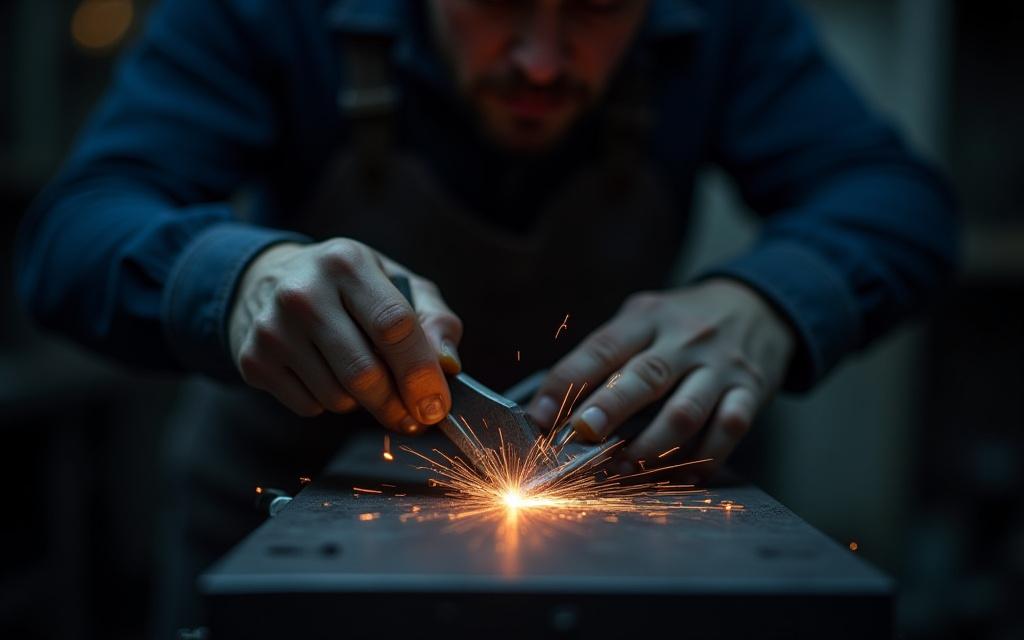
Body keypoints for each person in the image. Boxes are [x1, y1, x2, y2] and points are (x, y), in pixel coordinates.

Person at [15, 0, 958, 634]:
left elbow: (895, 198)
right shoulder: (266, 15)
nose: (542, 63)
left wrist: (768, 302)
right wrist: (238, 277)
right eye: (497, 2)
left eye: (595, 6)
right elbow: (74, 230)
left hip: (623, 513)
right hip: (275, 501)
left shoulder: (723, 22)